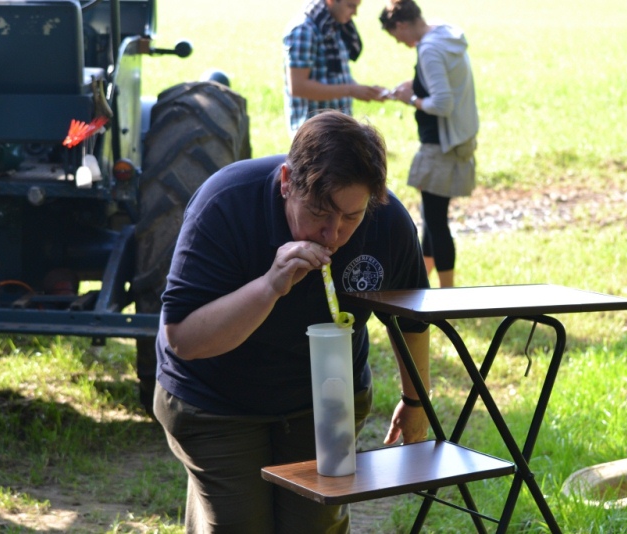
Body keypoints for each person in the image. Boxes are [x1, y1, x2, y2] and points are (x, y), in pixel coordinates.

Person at [153, 110, 431, 533]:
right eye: (320, 212)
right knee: (238, 526)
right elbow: (184, 339)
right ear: (286, 182)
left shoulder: (386, 220)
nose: (333, 234)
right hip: (215, 399)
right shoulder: (226, 203)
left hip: (325, 401)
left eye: (351, 217)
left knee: (315, 524)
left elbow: (411, 318)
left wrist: (415, 401)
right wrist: (270, 286)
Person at [380, 0, 479, 288]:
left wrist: (411, 99)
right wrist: (416, 85)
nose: (399, 43)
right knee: (431, 216)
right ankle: (420, 285)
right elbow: (444, 84)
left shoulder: (429, 49)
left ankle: (447, 295)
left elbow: (442, 103)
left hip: (440, 145)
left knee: (435, 222)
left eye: (395, 36)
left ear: (401, 25)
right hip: (455, 140)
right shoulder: (444, 33)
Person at [283, 0, 387, 133]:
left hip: (337, 130)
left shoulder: (333, 26)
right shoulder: (304, 30)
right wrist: (351, 90)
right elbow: (298, 87)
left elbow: (335, 77)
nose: (355, 13)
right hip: (314, 133)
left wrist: (364, 91)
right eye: (351, 6)